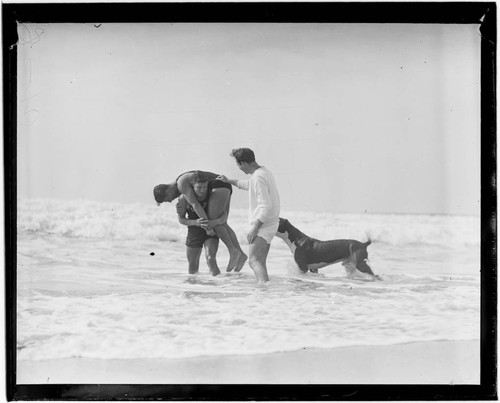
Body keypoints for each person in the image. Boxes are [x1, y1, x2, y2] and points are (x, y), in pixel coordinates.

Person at [154, 170, 247, 272]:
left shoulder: (181, 184)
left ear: (167, 192)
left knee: (212, 221)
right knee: (221, 222)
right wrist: (159, 200)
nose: (171, 200)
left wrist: (207, 228)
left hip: (219, 185)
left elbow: (195, 204)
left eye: (168, 199)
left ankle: (233, 251)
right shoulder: (180, 183)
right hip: (224, 185)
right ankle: (240, 254)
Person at [217, 148, 280, 283]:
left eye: (238, 165)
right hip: (271, 223)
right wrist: (228, 181)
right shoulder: (264, 172)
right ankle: (265, 292)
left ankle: (264, 288)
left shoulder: (258, 177)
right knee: (260, 262)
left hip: (264, 225)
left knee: (253, 261)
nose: (239, 168)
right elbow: (248, 185)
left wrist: (256, 227)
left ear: (244, 163)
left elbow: (266, 206)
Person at [177, 175, 226, 276]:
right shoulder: (183, 198)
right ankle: (193, 290)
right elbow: (181, 219)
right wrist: (195, 222)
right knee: (193, 266)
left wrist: (215, 222)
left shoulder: (213, 195)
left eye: (205, 187)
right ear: (192, 186)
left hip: (211, 231)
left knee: (211, 259)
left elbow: (224, 216)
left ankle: (218, 287)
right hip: (194, 231)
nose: (202, 190)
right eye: (199, 187)